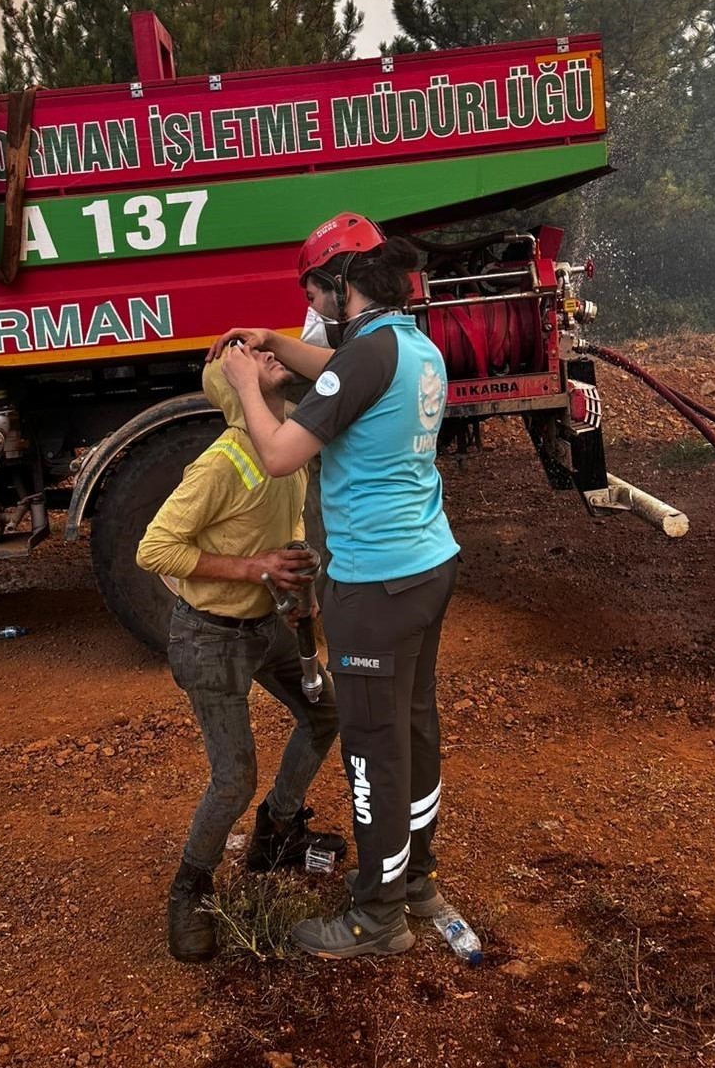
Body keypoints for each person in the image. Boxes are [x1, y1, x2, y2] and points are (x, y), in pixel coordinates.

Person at [211, 213, 460, 960]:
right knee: (413, 729)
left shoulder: (358, 362)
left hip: (372, 586)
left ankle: (377, 917)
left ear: (341, 285)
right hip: (426, 567)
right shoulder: (411, 345)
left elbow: (283, 453)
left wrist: (244, 381)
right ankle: (419, 880)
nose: (312, 304)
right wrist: (275, 337)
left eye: (316, 291)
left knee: (371, 751)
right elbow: (333, 359)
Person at [136, 345, 344, 963]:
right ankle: (189, 890)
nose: (262, 352)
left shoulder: (286, 446)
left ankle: (275, 834)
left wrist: (296, 591)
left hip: (264, 627)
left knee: (325, 713)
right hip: (209, 635)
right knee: (233, 779)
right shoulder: (221, 464)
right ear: (235, 388)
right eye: (248, 356)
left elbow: (290, 532)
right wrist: (255, 568)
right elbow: (154, 548)